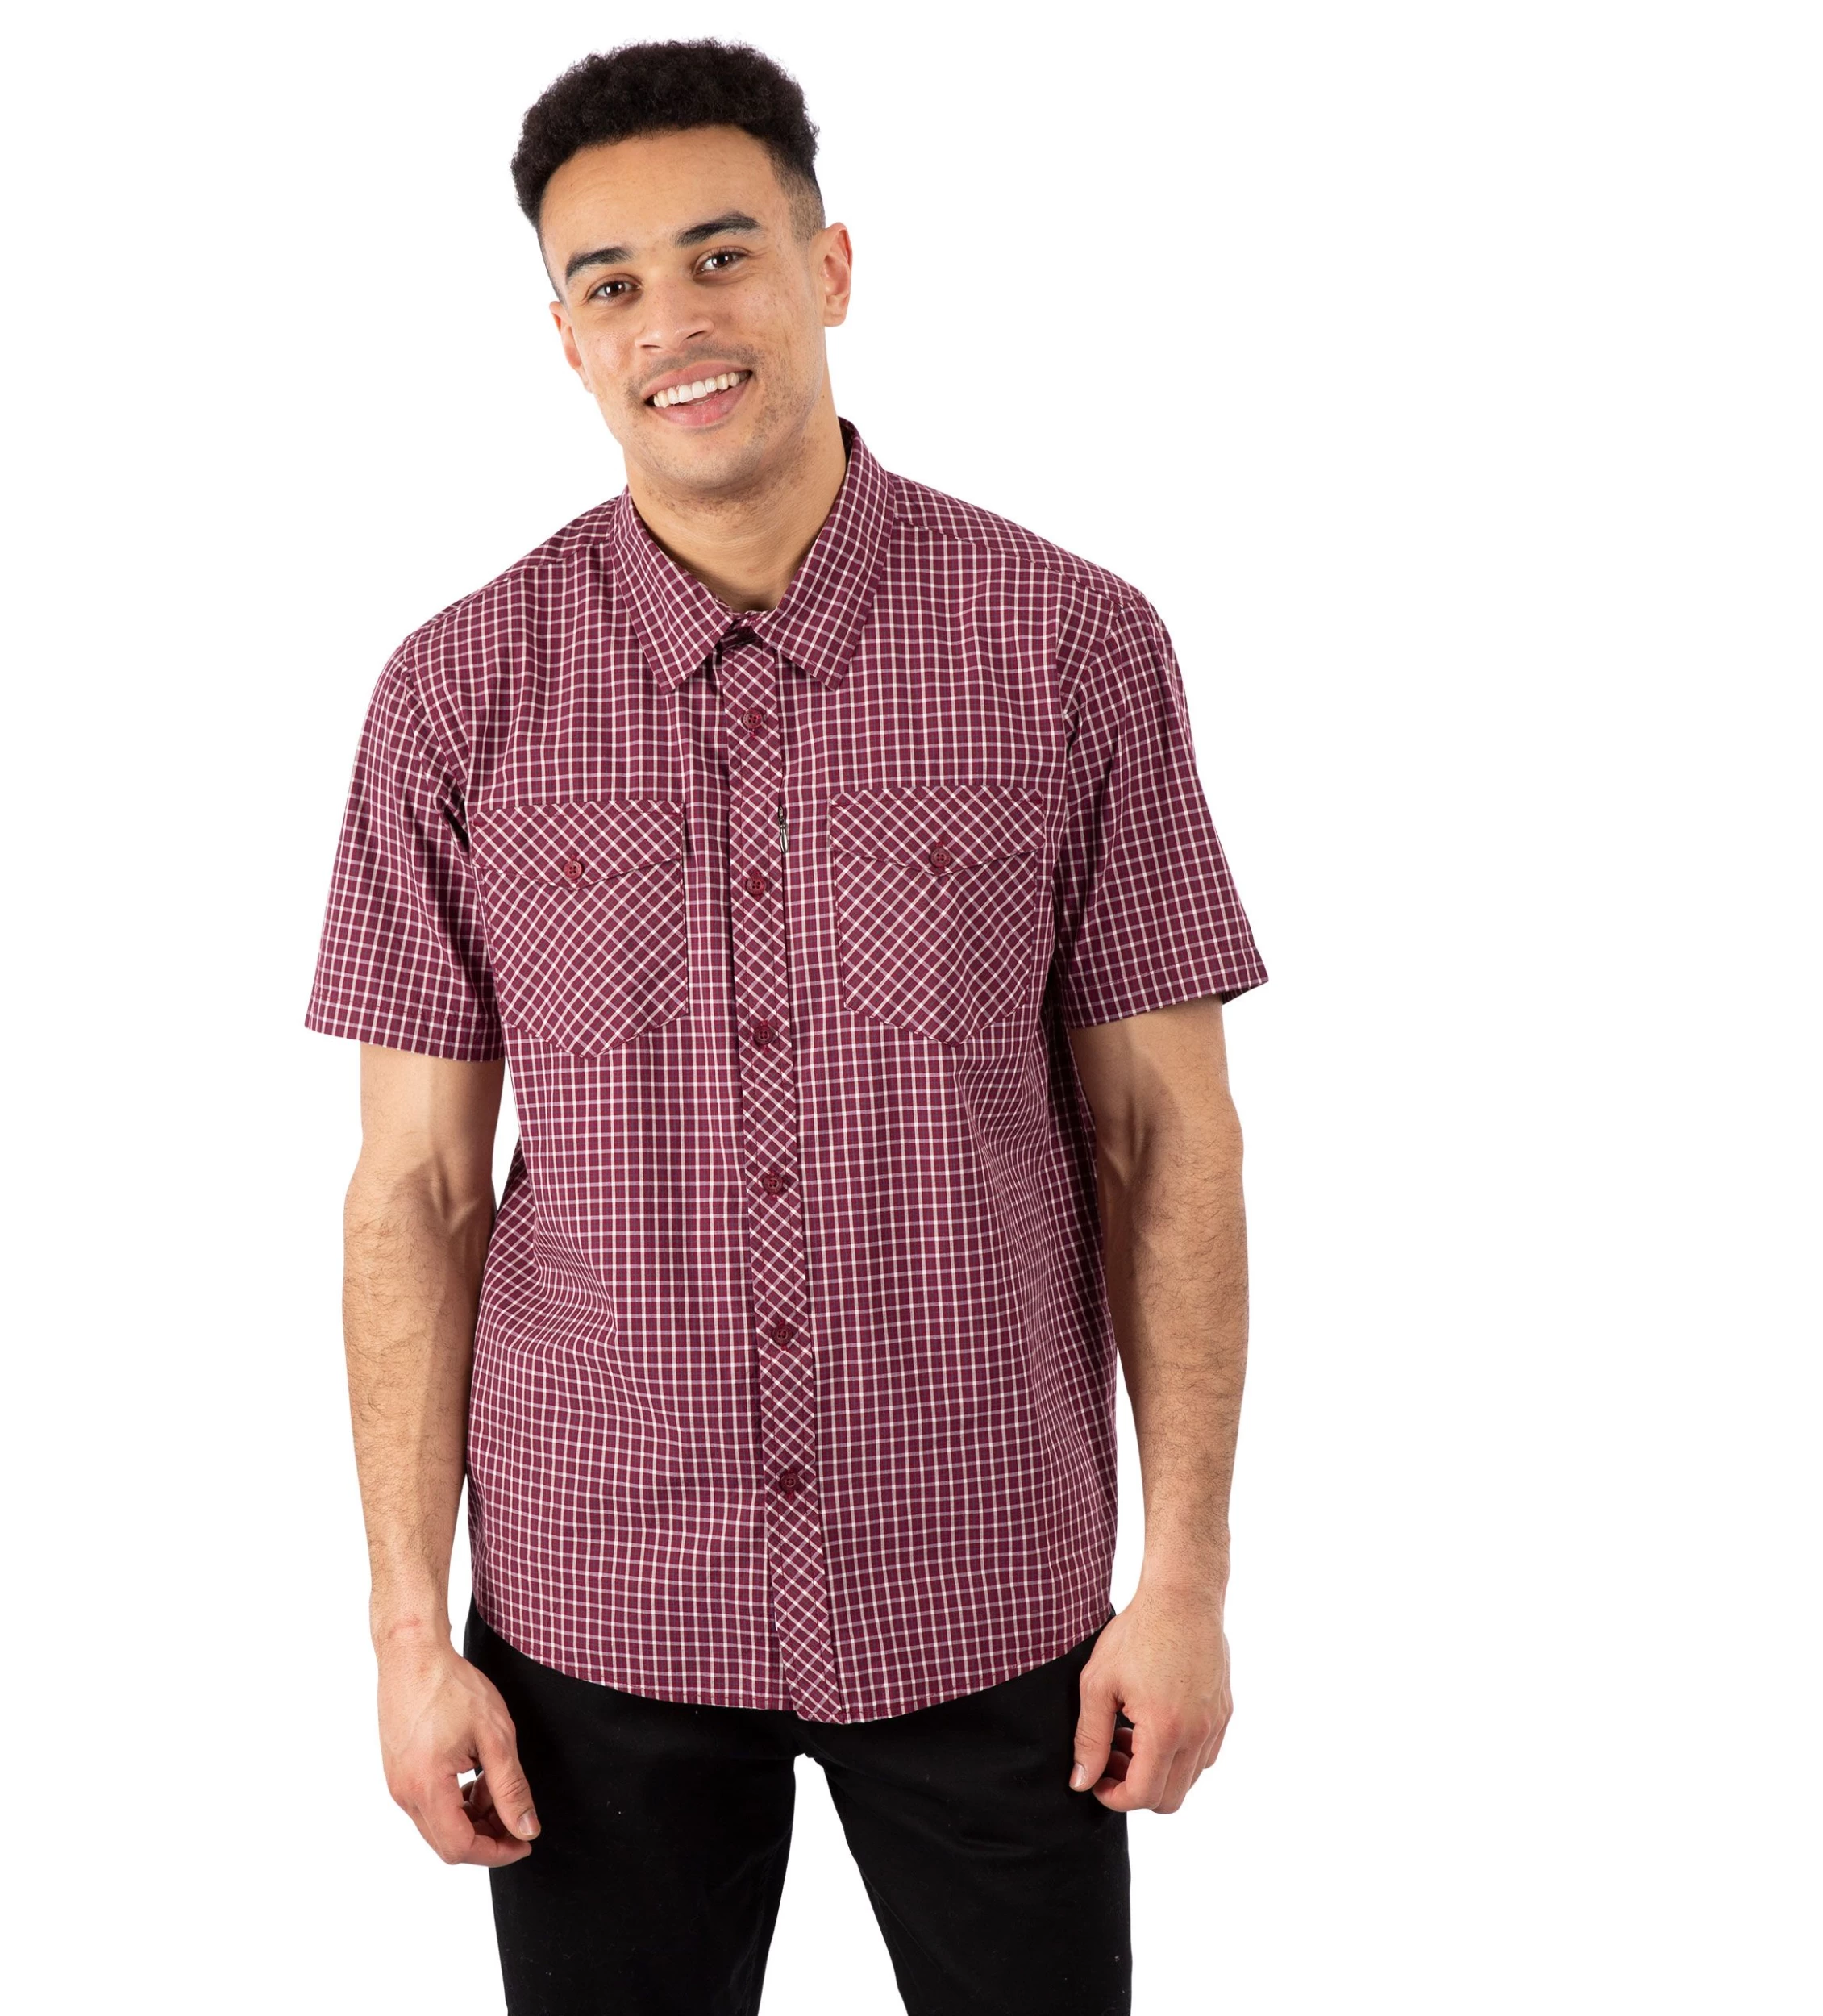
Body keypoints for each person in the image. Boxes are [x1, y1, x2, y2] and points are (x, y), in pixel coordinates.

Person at [305, 37, 1268, 2016]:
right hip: (594, 1603)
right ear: (565, 339)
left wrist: (1182, 1577)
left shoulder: (1070, 644)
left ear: (829, 268)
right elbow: (415, 1189)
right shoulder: (452, 695)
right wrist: (408, 1630)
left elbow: (1163, 1136)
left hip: (992, 1581)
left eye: (720, 254)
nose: (672, 319)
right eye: (610, 282)